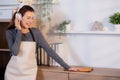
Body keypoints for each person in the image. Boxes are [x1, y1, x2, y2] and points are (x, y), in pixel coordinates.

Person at [5, 5, 92, 80]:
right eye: (28, 18)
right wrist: (19, 31)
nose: (31, 21)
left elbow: (49, 51)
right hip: (13, 73)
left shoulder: (35, 32)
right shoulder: (10, 33)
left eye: (32, 18)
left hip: (29, 73)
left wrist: (67, 66)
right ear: (19, 17)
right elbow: (15, 52)